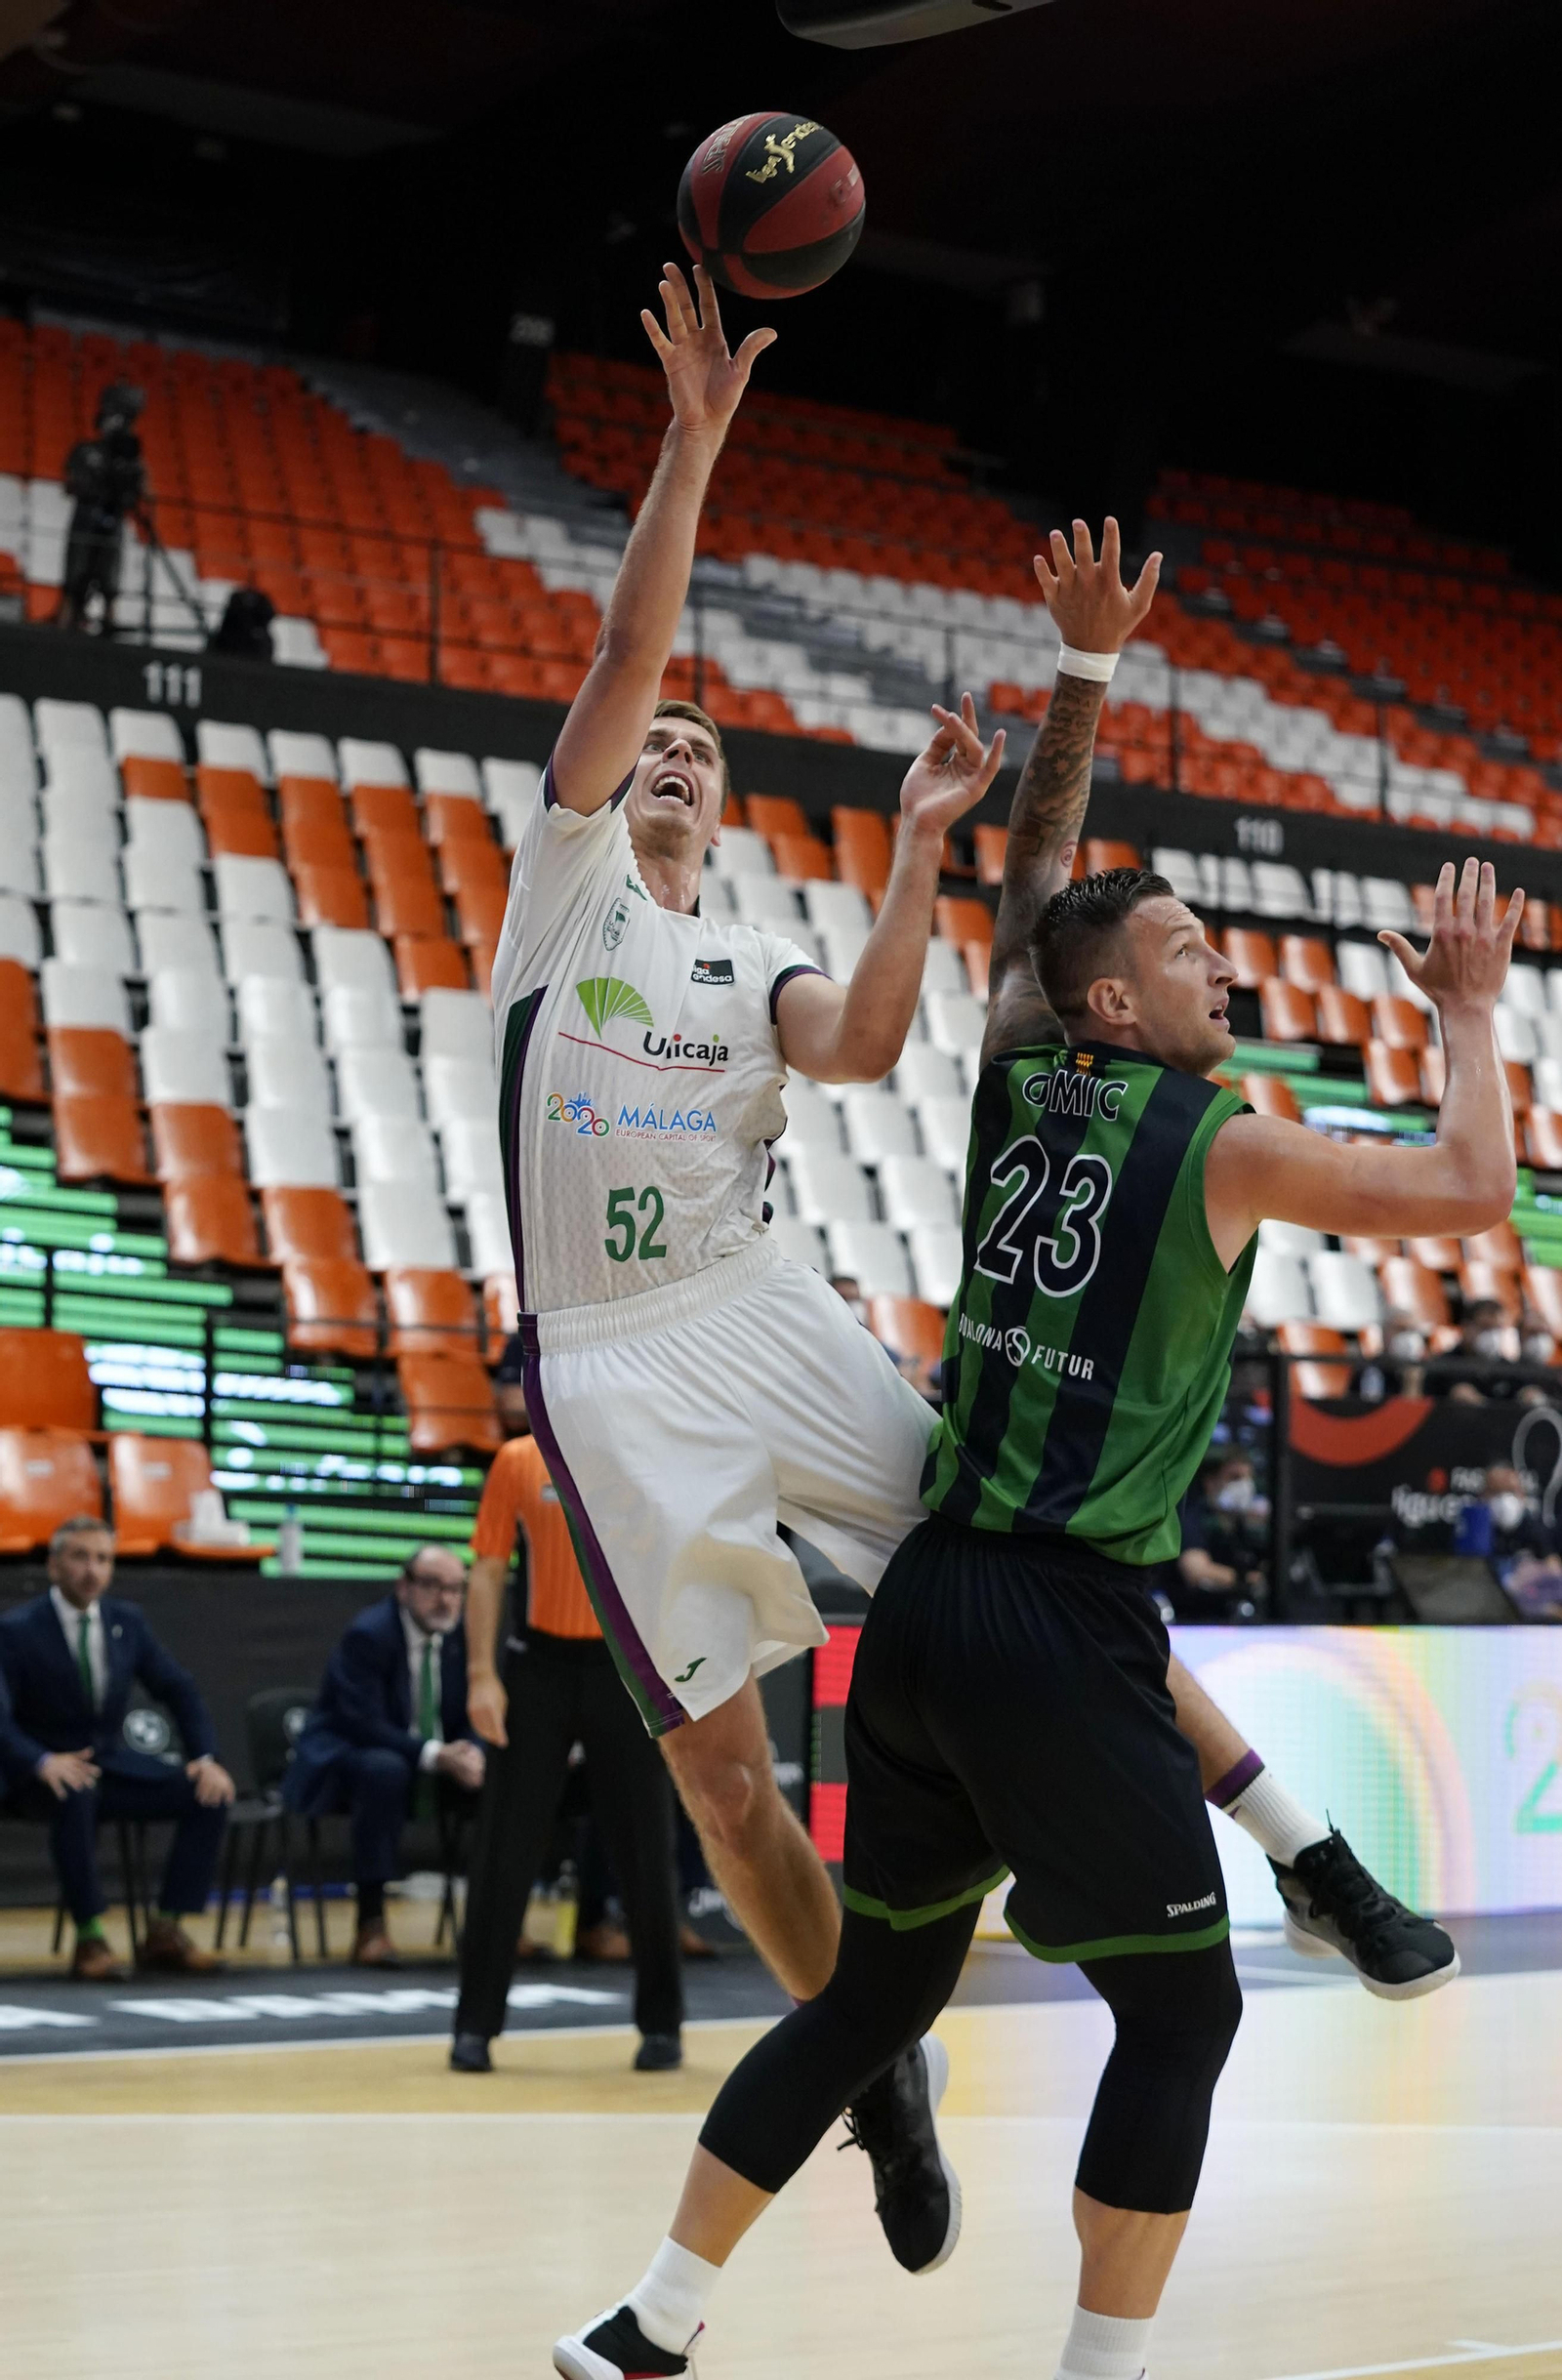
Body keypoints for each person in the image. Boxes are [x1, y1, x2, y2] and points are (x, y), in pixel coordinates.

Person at [503, 270, 1458, 2269]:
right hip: (602, 1362)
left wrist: (920, 835)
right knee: (729, 1793)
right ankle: (875, 2060)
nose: (668, 746)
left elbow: (855, 1043)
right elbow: (622, 642)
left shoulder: (735, 955)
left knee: (1032, 1542)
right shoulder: (561, 887)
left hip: (752, 1313)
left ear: (728, 803)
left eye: (694, 744)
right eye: (649, 740)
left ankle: (1301, 1857)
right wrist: (688, 441)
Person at [450, 1388, 683, 2073]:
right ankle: (475, 2027)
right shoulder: (517, 1462)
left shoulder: (643, 1461)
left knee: (646, 1845)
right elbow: (489, 1572)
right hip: (539, 1668)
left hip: (623, 1666)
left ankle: (662, 2024)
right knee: (504, 1848)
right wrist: (480, 1676)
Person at [0, 1514, 234, 1979]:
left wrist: (205, 1759)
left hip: (108, 1764)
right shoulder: (17, 1629)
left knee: (208, 1794)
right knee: (76, 1792)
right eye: (81, 1557)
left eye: (103, 1559)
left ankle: (166, 1929)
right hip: (36, 1772)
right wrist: (42, 1760)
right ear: (53, 1566)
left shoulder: (126, 1621)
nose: (93, 1570)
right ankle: (90, 1939)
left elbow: (179, 1689)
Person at [284, 1544, 483, 1966]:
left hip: (426, 1760)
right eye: (432, 1586)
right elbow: (363, 1724)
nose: (446, 1599)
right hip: (349, 1760)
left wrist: (473, 1751)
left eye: (455, 1589)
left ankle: (494, 1922)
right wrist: (435, 1754)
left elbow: (476, 1708)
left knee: (498, 1775)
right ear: (403, 1588)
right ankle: (370, 1924)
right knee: (385, 1771)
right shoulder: (369, 1634)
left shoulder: (462, 1636)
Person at [56, 381, 145, 635]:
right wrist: (92, 484)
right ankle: (64, 629)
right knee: (74, 580)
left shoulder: (130, 459)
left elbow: (139, 493)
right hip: (85, 520)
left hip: (113, 520)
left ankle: (108, 630)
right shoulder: (85, 450)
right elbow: (70, 485)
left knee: (110, 583)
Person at [1171, 1450, 1266, 1619]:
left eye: (1248, 1478)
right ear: (1211, 1482)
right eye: (1235, 1478)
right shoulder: (1192, 1516)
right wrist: (1249, 1580)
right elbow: (1196, 1571)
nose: (1245, 1486)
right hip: (1192, 1620)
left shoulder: (1245, 1525)